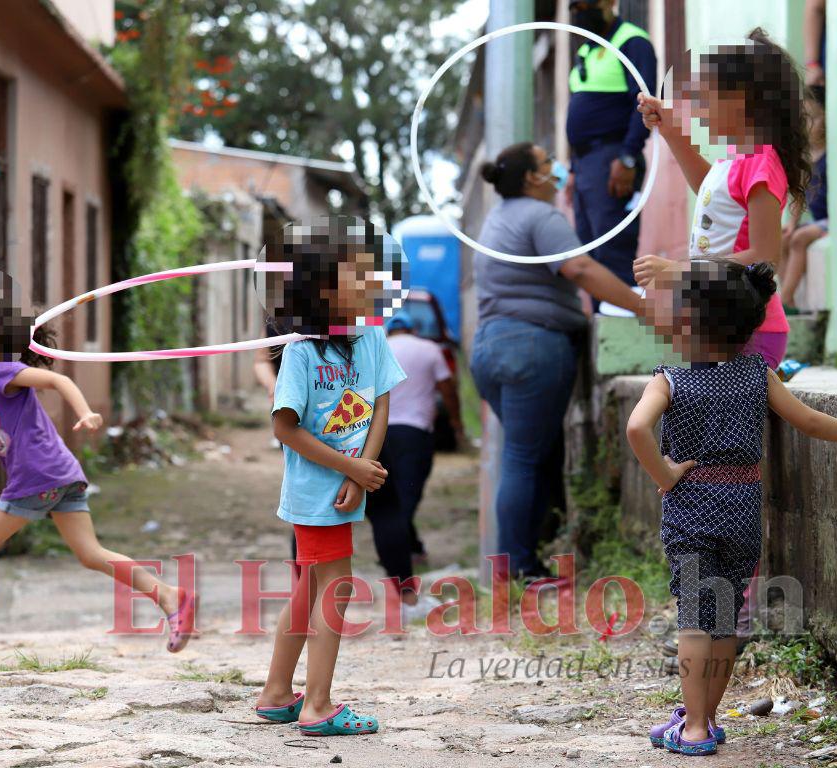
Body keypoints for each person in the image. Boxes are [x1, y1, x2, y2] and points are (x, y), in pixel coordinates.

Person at [627, 260, 837, 756]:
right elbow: (808, 421)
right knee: (724, 617)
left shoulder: (670, 380)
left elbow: (637, 430)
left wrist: (666, 474)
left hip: (692, 507)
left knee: (696, 617)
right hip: (742, 509)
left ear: (688, 323)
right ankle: (707, 717)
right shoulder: (757, 376)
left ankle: (694, 729)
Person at [0, 273, 195, 662]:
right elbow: (6, 436)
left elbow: (56, 379)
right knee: (90, 554)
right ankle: (170, 596)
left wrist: (86, 412)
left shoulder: (3, 372)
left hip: (37, 477)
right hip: (60, 473)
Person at [254, 219, 405, 735]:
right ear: (320, 290)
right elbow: (285, 428)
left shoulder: (372, 336)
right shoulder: (300, 350)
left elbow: (381, 402)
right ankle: (317, 706)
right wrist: (349, 468)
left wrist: (363, 474)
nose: (370, 285)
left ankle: (277, 694)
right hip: (314, 489)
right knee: (333, 588)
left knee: (309, 588)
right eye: (356, 277)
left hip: (350, 482)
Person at [472, 141, 642, 580]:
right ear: (532, 177)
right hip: (531, 348)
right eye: (548, 163)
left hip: (490, 347)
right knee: (525, 458)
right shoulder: (540, 215)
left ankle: (533, 554)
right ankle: (515, 568)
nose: (557, 167)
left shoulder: (497, 219)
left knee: (534, 456)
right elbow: (580, 270)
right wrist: (644, 308)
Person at [634, 27, 812, 370]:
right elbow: (710, 190)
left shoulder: (761, 162)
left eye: (705, 98)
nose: (698, 110)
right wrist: (670, 131)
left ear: (743, 98)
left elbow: (765, 255)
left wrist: (678, 270)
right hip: (718, 326)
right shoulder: (736, 157)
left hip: (751, 332)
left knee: (721, 424)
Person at [365, 310, 461, 623]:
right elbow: (447, 388)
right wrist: (456, 425)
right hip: (414, 432)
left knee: (315, 509)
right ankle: (405, 591)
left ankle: (304, 594)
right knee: (395, 507)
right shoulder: (428, 349)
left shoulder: (375, 345)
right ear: (413, 327)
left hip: (370, 431)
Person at [565, 0, 657, 288]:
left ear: (609, 2)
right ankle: (601, 322)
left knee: (612, 249)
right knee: (589, 250)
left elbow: (644, 104)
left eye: (585, 4)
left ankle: (621, 321)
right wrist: (572, 168)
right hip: (584, 164)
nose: (579, 12)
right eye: (574, 7)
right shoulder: (586, 49)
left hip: (613, 158)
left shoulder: (632, 42)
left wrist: (628, 157)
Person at [780, 89, 829, 310]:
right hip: (818, 221)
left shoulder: (831, 154)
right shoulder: (806, 158)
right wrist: (791, 224)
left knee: (799, 240)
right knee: (782, 239)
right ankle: (788, 296)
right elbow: (799, 195)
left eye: (815, 118)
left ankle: (786, 299)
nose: (808, 125)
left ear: (827, 119)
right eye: (804, 119)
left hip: (830, 221)